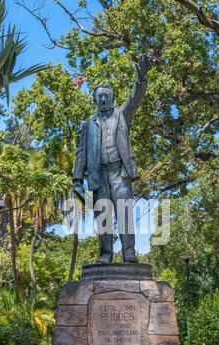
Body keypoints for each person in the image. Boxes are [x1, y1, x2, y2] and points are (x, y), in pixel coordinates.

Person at [73, 55, 151, 263]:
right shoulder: (88, 125)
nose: (104, 99)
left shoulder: (121, 115)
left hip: (119, 173)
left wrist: (141, 77)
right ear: (95, 99)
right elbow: (81, 152)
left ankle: (129, 252)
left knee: (124, 213)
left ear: (113, 99)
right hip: (99, 175)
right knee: (103, 216)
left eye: (107, 95)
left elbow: (135, 98)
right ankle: (106, 254)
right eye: (101, 96)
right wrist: (77, 179)